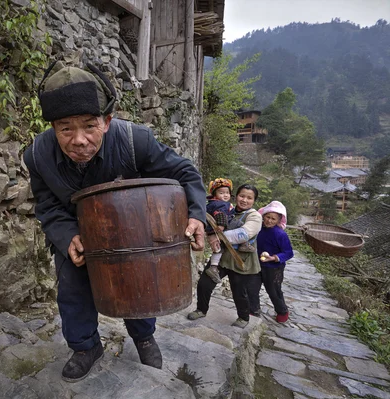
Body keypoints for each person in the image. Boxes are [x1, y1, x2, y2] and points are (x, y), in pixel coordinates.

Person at [23, 63, 207, 382]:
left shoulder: (135, 142)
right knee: (72, 291)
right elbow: (48, 205)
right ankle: (85, 347)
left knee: (138, 285)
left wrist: (196, 214)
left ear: (107, 122)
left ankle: (144, 337)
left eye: (89, 126)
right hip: (78, 234)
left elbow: (184, 173)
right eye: (65, 128)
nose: (79, 140)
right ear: (52, 127)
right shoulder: (37, 156)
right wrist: (66, 236)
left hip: (131, 233)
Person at [187, 184, 263, 328]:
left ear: (254, 200)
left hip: (240, 260)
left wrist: (215, 236)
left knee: (239, 291)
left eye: (249, 198)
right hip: (221, 257)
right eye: (242, 196)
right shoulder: (227, 209)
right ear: (236, 196)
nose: (244, 200)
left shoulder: (254, 216)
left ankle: (243, 317)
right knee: (204, 283)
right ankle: (201, 310)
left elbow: (244, 234)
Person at [205, 178, 256, 284]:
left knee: (219, 249)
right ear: (215, 194)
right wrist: (221, 226)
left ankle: (213, 267)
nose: (225, 195)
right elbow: (220, 214)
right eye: (221, 193)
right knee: (239, 224)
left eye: (227, 193)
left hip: (212, 230)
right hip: (220, 227)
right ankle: (244, 244)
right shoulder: (220, 204)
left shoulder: (211, 203)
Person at [257, 201, 294, 323]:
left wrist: (274, 258)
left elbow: (288, 252)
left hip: (274, 268)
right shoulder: (258, 229)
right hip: (257, 264)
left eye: (273, 219)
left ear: (279, 220)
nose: (269, 221)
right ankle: (253, 309)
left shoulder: (280, 234)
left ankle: (282, 311)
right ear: (263, 216)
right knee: (252, 288)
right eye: (267, 217)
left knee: (273, 290)